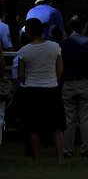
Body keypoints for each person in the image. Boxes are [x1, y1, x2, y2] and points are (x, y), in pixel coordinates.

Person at [17, 18, 65, 164]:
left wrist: (30, 81)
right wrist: (52, 80)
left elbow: (20, 75)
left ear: (29, 32)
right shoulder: (55, 47)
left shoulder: (23, 51)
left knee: (33, 127)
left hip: (32, 90)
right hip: (51, 89)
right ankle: (60, 158)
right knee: (57, 126)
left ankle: (36, 158)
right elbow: (60, 70)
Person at [60, 14, 88, 158]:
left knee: (69, 119)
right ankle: (87, 149)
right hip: (86, 82)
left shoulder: (63, 44)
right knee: (86, 119)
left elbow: (60, 66)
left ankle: (67, 150)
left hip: (69, 83)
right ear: (85, 26)